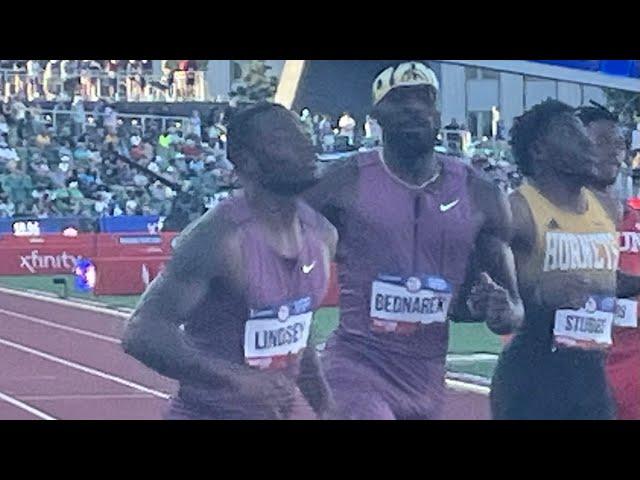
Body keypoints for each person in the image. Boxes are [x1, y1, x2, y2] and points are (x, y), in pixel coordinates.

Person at [304, 62, 523, 420]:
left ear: (437, 114)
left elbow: (512, 312)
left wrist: (498, 309)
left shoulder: (481, 194)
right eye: (399, 99)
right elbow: (280, 241)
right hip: (357, 363)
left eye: (424, 99)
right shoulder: (342, 181)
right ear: (377, 114)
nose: (413, 108)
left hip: (427, 378)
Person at [122, 102, 338, 420]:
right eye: (283, 139)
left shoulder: (322, 235)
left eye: (303, 136)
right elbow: (141, 332)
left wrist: (325, 405)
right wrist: (234, 378)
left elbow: (295, 330)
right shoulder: (218, 238)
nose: (304, 147)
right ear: (248, 161)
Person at [491, 99, 640, 420]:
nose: (586, 144)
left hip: (590, 375)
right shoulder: (516, 210)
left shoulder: (607, 210)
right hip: (534, 374)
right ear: (540, 150)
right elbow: (484, 285)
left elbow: (602, 281)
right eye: (572, 134)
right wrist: (539, 293)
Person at [576, 106, 639, 420]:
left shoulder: (636, 222)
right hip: (574, 386)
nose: (614, 150)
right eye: (601, 141)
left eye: (619, 142)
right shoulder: (540, 219)